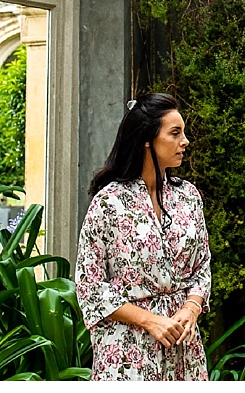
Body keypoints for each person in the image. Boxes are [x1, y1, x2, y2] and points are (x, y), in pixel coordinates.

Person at [75, 93, 212, 380]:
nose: (185, 141)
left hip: (182, 345)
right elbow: (90, 285)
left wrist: (191, 307)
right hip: (127, 348)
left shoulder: (188, 197)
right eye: (175, 133)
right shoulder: (109, 203)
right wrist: (150, 321)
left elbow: (202, 267)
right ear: (146, 139)